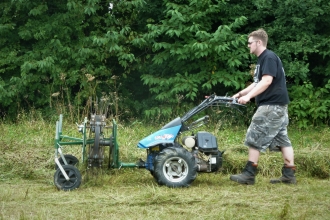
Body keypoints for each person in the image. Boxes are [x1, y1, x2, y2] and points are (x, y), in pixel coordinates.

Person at [230, 28, 296, 185]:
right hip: (277, 106)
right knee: (282, 140)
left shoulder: (268, 57)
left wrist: (248, 97)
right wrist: (240, 94)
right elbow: (256, 83)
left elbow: (267, 81)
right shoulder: (263, 59)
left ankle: (249, 174)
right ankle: (289, 174)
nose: (248, 46)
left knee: (254, 135)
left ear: (258, 42)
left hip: (271, 105)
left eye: (249, 43)